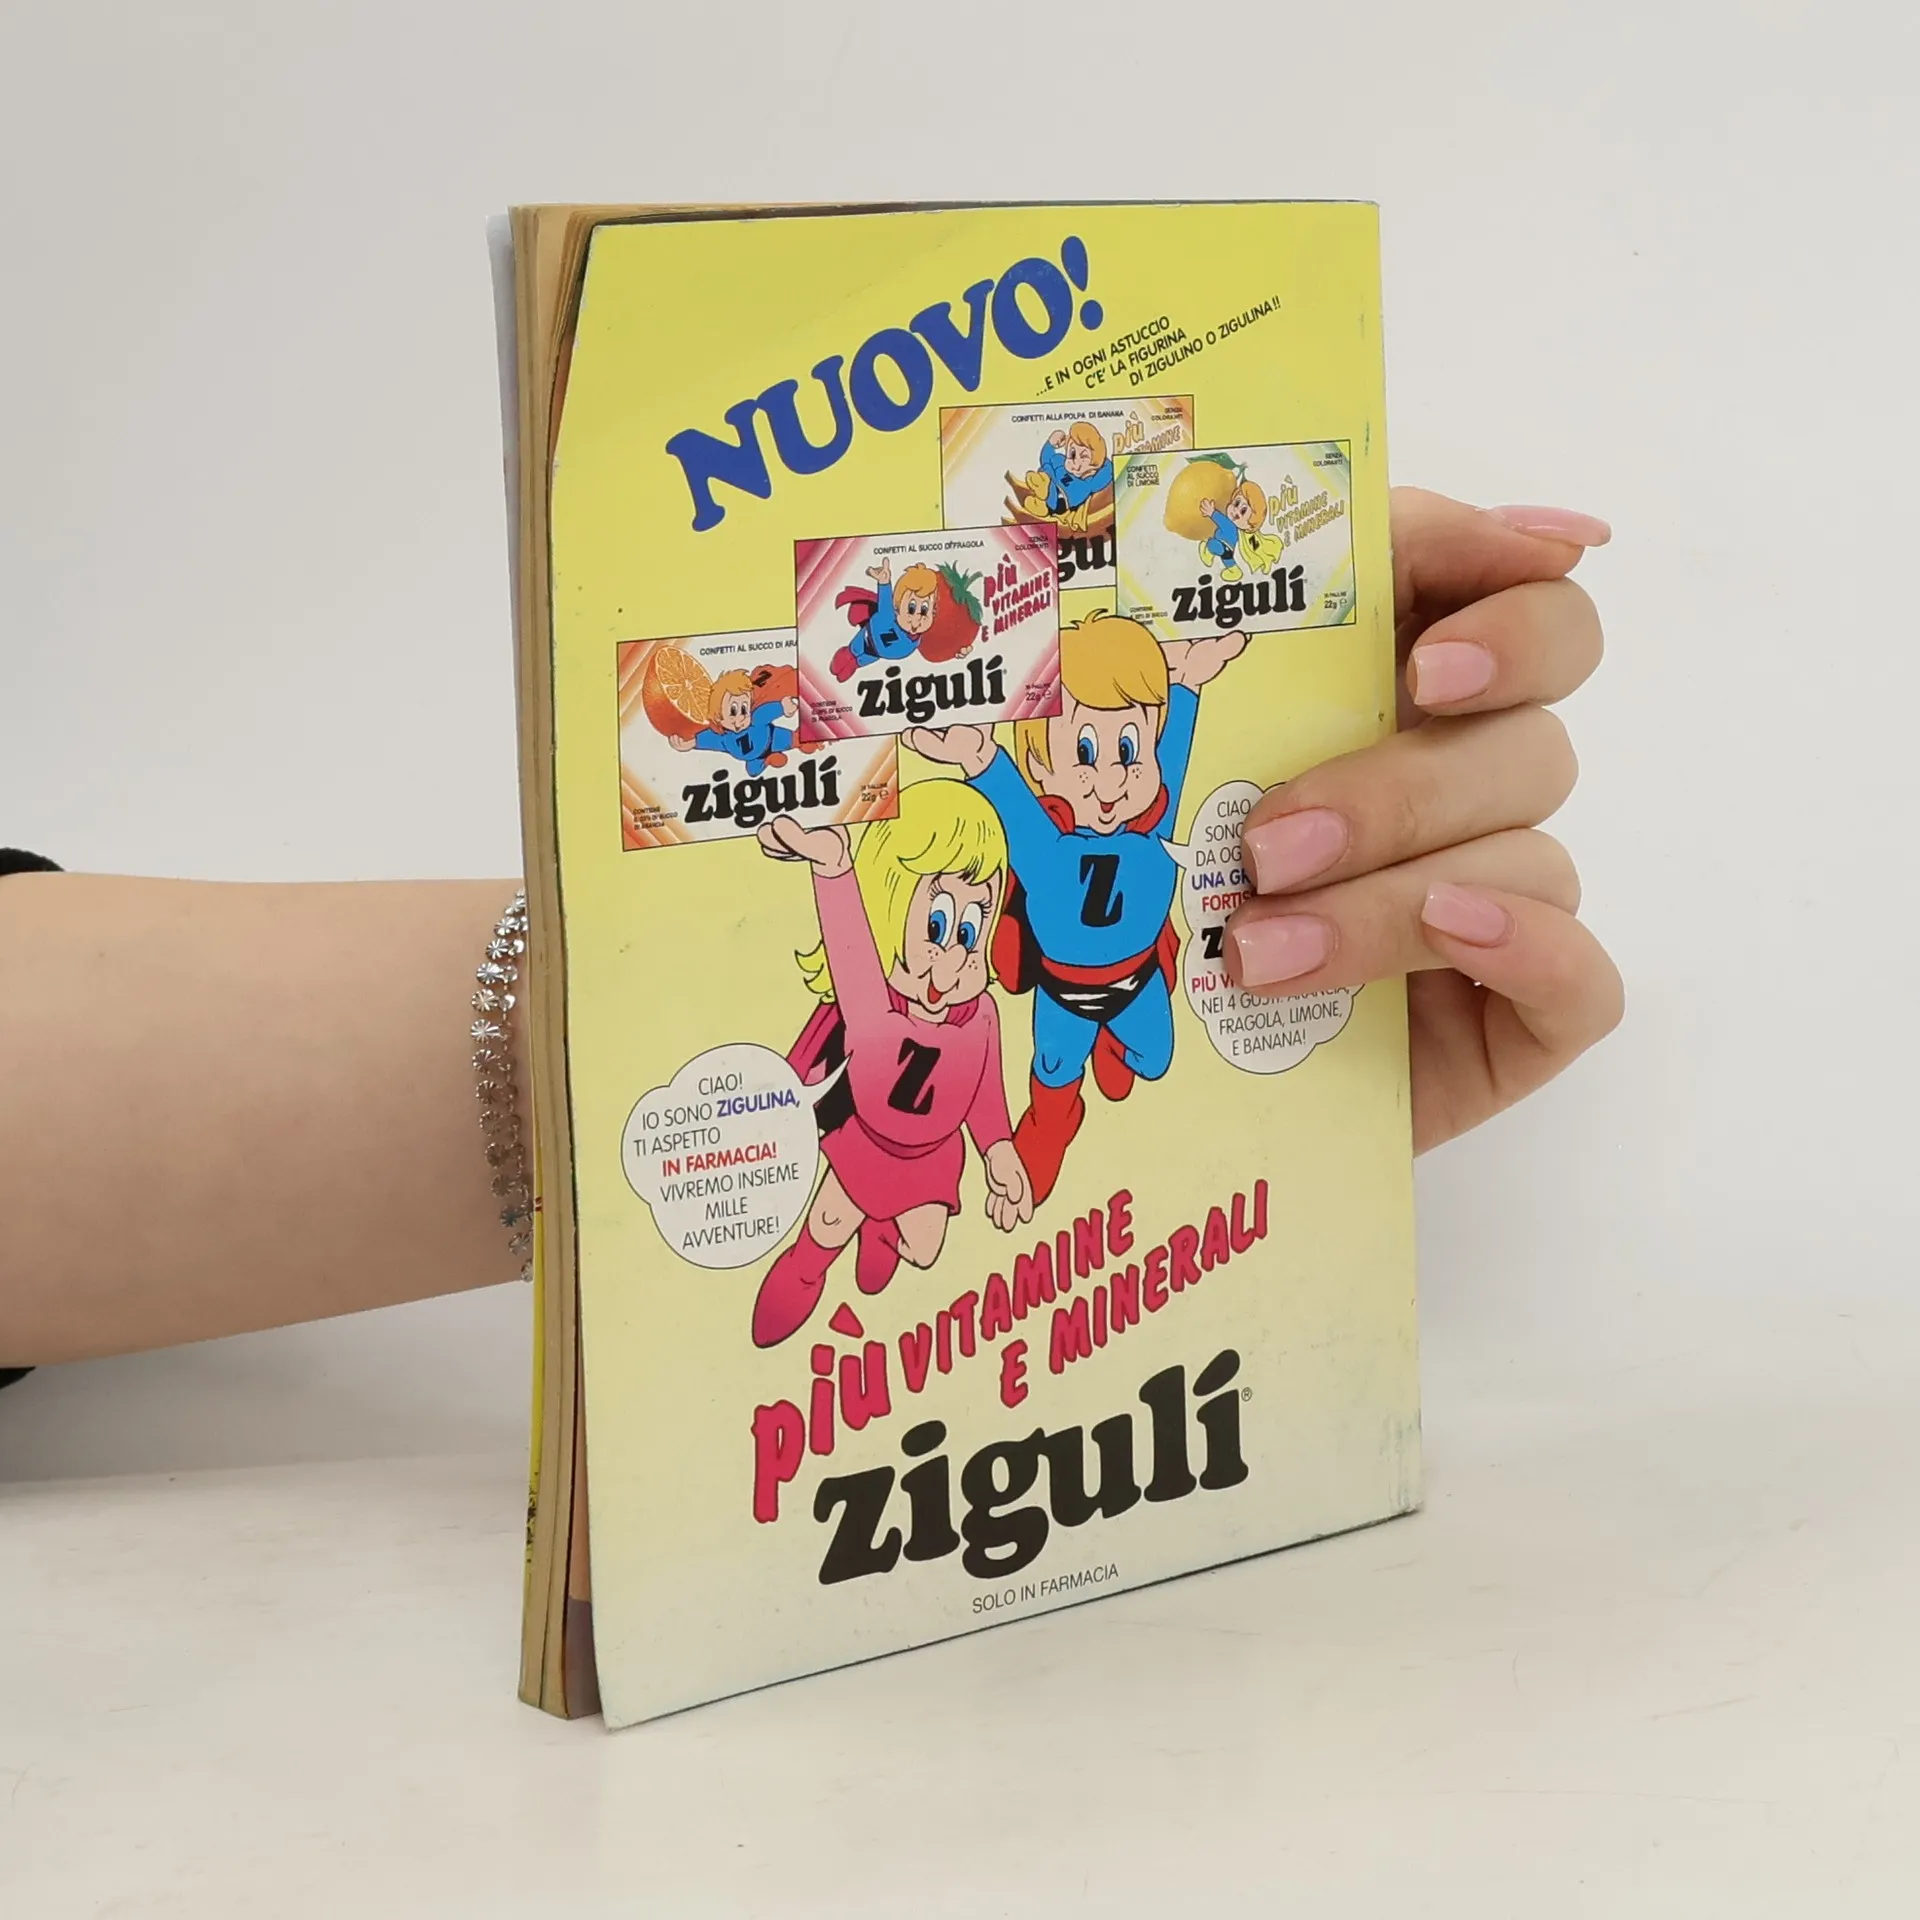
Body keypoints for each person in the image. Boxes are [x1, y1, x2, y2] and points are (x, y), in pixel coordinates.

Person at [0, 489, 1622, 1374]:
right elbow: (902, 912)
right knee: (881, 1208)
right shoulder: (1005, 862)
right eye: (1088, 750)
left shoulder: (1092, 861)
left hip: (1126, 1000)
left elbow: (1161, 769)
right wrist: (867, 849)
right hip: (917, 1109)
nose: (1106, 770)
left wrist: (1269, 685)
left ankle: (930, 1182)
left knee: (1034, 1118)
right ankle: (834, 1235)